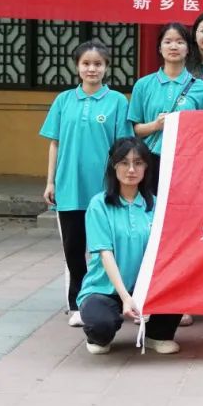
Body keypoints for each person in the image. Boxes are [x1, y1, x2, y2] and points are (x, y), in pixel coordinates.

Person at [40, 39, 133, 328]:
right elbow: (54, 143)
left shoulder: (117, 101)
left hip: (103, 189)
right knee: (73, 248)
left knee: (104, 249)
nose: (92, 69)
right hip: (69, 186)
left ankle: (106, 300)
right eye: (86, 63)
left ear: (106, 67)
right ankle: (77, 303)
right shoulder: (64, 100)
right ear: (77, 66)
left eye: (98, 64)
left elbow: (122, 147)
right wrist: (50, 181)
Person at [78, 137, 183, 355]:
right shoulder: (99, 205)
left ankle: (156, 335)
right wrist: (126, 297)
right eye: (124, 163)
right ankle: (100, 331)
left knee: (179, 289)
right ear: (113, 166)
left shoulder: (156, 205)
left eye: (138, 163)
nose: (132, 169)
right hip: (105, 288)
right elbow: (105, 254)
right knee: (100, 329)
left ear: (146, 167)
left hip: (147, 287)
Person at [129, 23, 203, 191]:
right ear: (160, 48)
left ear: (188, 49)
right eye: (168, 42)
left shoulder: (201, 87)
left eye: (180, 42)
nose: (174, 46)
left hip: (186, 160)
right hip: (150, 159)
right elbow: (134, 129)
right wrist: (155, 125)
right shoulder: (143, 85)